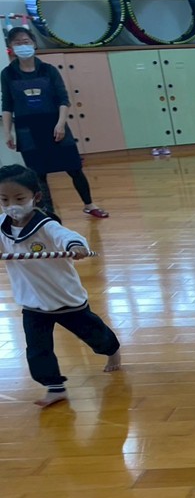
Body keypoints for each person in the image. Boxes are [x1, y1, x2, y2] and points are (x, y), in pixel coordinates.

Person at [0, 164, 120, 407]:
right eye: (4, 199)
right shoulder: (2, 224)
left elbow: (68, 237)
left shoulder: (46, 225)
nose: (11, 205)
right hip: (32, 302)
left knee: (94, 334)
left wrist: (76, 247)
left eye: (19, 198)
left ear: (36, 197)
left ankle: (112, 350)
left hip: (65, 298)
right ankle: (54, 387)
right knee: (37, 348)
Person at [1, 27, 107, 218]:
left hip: (54, 124)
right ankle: (48, 213)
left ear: (34, 44)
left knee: (74, 168)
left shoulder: (48, 70)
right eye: (17, 43)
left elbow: (63, 99)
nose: (22, 46)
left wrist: (60, 124)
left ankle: (89, 204)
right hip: (27, 129)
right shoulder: (8, 74)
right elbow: (7, 104)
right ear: (11, 47)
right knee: (38, 174)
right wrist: (8, 132)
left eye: (26, 42)